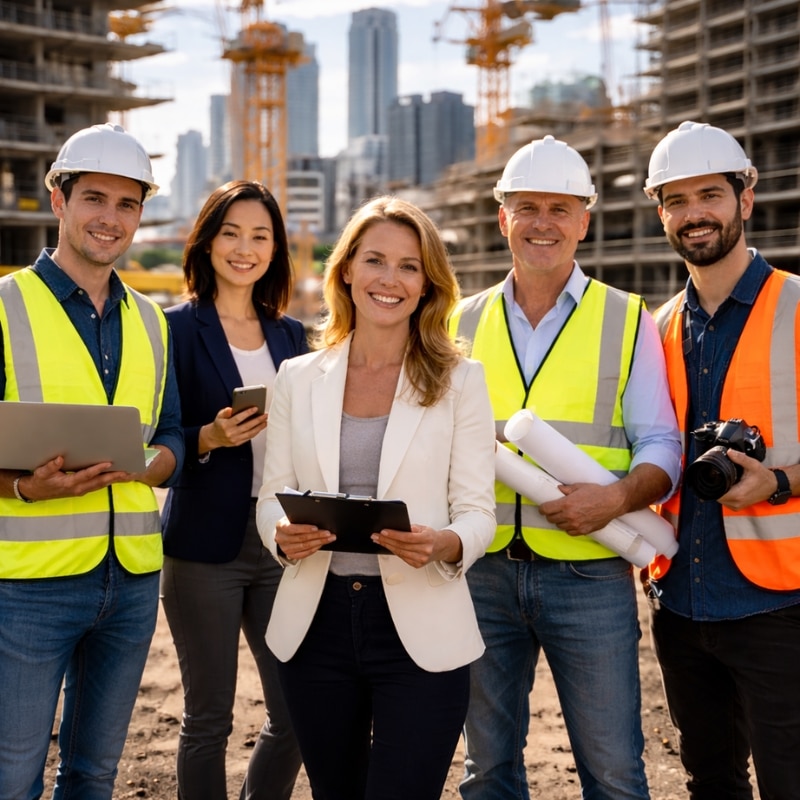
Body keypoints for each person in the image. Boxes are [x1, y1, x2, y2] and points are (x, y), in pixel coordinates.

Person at [450, 135, 683, 800]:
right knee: (486, 771)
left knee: (612, 771)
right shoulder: (459, 320)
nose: (542, 223)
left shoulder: (624, 317)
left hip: (590, 574)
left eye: (560, 208)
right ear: (504, 218)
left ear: (585, 220)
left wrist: (611, 502)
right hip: (483, 572)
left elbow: (661, 445)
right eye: (527, 207)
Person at [256, 196, 497, 800]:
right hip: (317, 625)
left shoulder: (461, 382)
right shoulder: (295, 377)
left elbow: (477, 512)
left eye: (409, 266)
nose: (390, 279)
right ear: (345, 272)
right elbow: (269, 500)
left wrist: (447, 543)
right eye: (375, 261)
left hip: (420, 626)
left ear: (427, 285)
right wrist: (281, 537)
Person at [0, 123, 184, 798]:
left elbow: (171, 434)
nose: (110, 218)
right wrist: (24, 485)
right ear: (59, 199)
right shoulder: (4, 307)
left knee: (94, 775)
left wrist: (152, 466)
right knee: (11, 777)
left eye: (127, 204)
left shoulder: (154, 322)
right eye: (95, 198)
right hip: (27, 589)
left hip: (131, 584)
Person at [642, 120, 800, 799]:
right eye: (676, 200)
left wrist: (781, 480)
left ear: (746, 199)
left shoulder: (797, 307)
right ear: (661, 214)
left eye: (709, 193)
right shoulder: (656, 329)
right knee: (711, 783)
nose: (694, 213)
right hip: (679, 604)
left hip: (779, 604)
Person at [161, 180, 306, 800]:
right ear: (207, 241)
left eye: (260, 236)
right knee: (208, 720)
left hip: (280, 542)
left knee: (297, 714)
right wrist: (211, 437)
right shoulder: (172, 329)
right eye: (231, 233)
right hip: (201, 548)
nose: (245, 248)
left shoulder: (292, 335)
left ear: (275, 249)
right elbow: (161, 432)